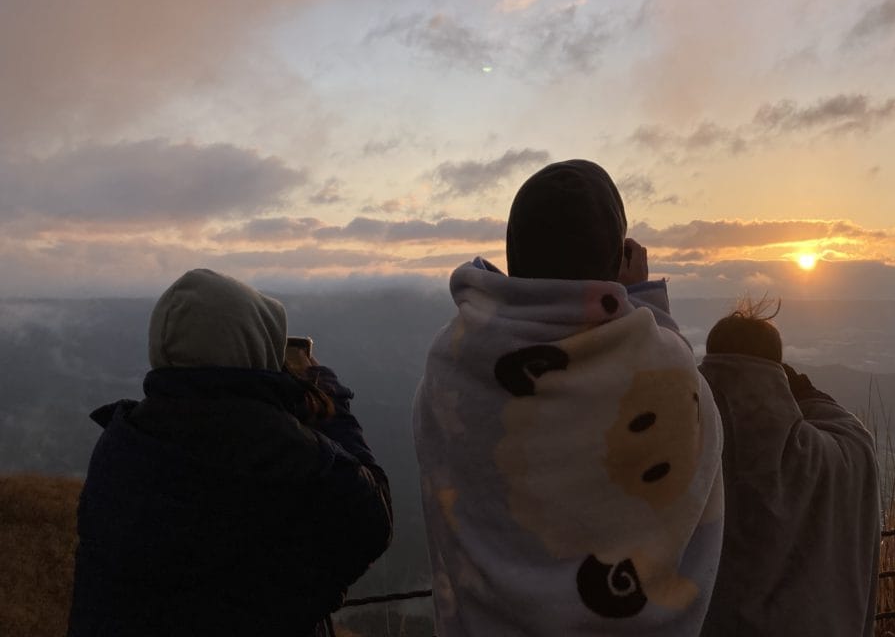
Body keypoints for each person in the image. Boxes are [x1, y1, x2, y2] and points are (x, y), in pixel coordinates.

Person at [413, 158, 724, 636]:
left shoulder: (451, 364)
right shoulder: (667, 370)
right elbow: (688, 421)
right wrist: (644, 302)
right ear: (615, 260)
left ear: (514, 256)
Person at [67, 268, 393, 637]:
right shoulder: (282, 448)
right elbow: (373, 519)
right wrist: (332, 406)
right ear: (250, 347)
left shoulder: (122, 438)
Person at [698, 300, 881, 637]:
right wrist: (805, 390)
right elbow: (856, 437)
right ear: (777, 372)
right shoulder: (833, 455)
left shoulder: (692, 452)